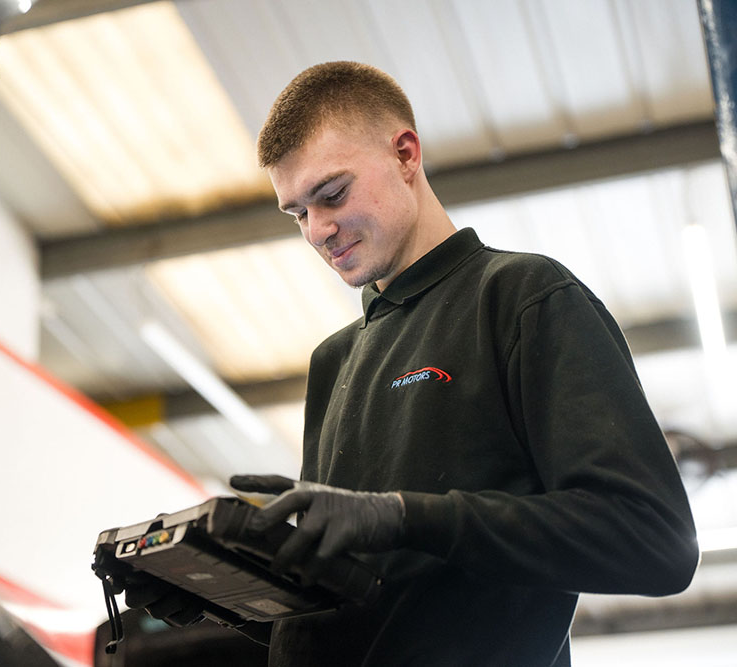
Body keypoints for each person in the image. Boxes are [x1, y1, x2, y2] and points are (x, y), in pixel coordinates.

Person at [129, 61, 700, 666]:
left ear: (405, 154)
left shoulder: (521, 297)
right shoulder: (335, 360)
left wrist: (404, 517)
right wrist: (219, 592)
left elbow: (653, 539)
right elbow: (359, 612)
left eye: (331, 195)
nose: (318, 230)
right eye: (297, 213)